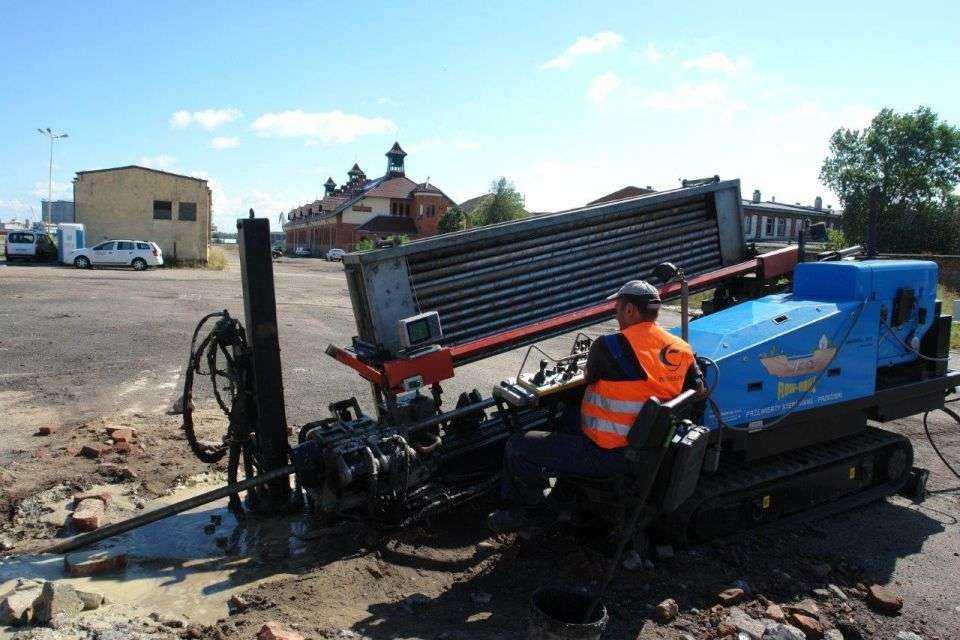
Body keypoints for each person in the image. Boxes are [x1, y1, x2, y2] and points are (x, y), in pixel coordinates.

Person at [488, 279, 704, 533]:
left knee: (519, 445)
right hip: (649, 452)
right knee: (567, 418)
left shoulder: (609, 345)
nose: (616, 313)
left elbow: (588, 377)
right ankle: (565, 498)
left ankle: (524, 514)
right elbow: (699, 390)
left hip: (606, 454)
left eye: (618, 308)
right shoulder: (682, 349)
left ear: (630, 310)